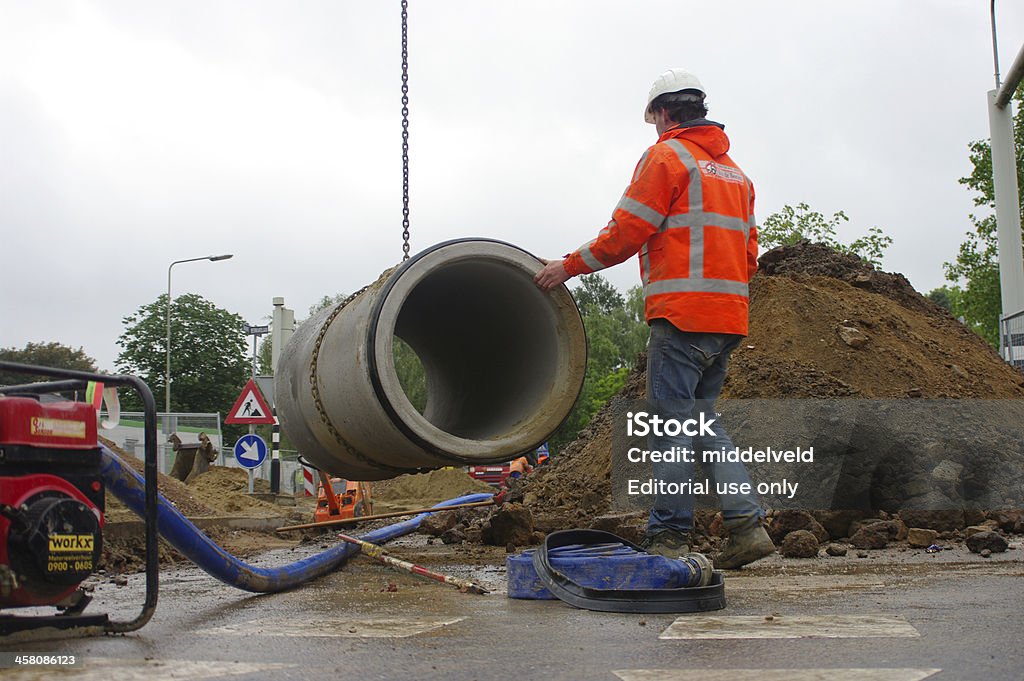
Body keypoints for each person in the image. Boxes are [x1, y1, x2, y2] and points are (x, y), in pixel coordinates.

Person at [534, 68, 774, 569]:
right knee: (702, 424)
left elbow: (627, 231)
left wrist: (569, 266)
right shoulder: (738, 177)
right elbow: (750, 256)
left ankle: (667, 537)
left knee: (670, 431)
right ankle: (747, 528)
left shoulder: (666, 156)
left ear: (664, 114)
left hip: (682, 317)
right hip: (728, 321)